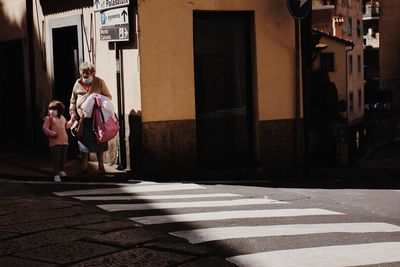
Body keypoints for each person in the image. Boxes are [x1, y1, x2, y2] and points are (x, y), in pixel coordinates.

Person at [69, 62, 112, 174]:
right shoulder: (77, 84)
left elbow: (108, 96)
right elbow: (73, 101)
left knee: (100, 140)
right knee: (83, 141)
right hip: (83, 118)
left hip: (97, 118)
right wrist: (73, 114)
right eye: (84, 74)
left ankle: (101, 166)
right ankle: (84, 166)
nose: (85, 76)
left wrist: (99, 99)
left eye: (88, 74)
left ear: (93, 73)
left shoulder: (99, 82)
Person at [42, 100, 72, 182]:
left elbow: (67, 126)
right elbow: (45, 128)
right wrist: (52, 133)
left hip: (65, 142)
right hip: (54, 143)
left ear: (59, 110)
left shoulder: (63, 118)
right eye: (50, 109)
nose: (51, 111)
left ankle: (61, 170)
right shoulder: (49, 119)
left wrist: (72, 121)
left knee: (63, 158)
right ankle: (56, 174)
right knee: (56, 158)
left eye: (54, 109)